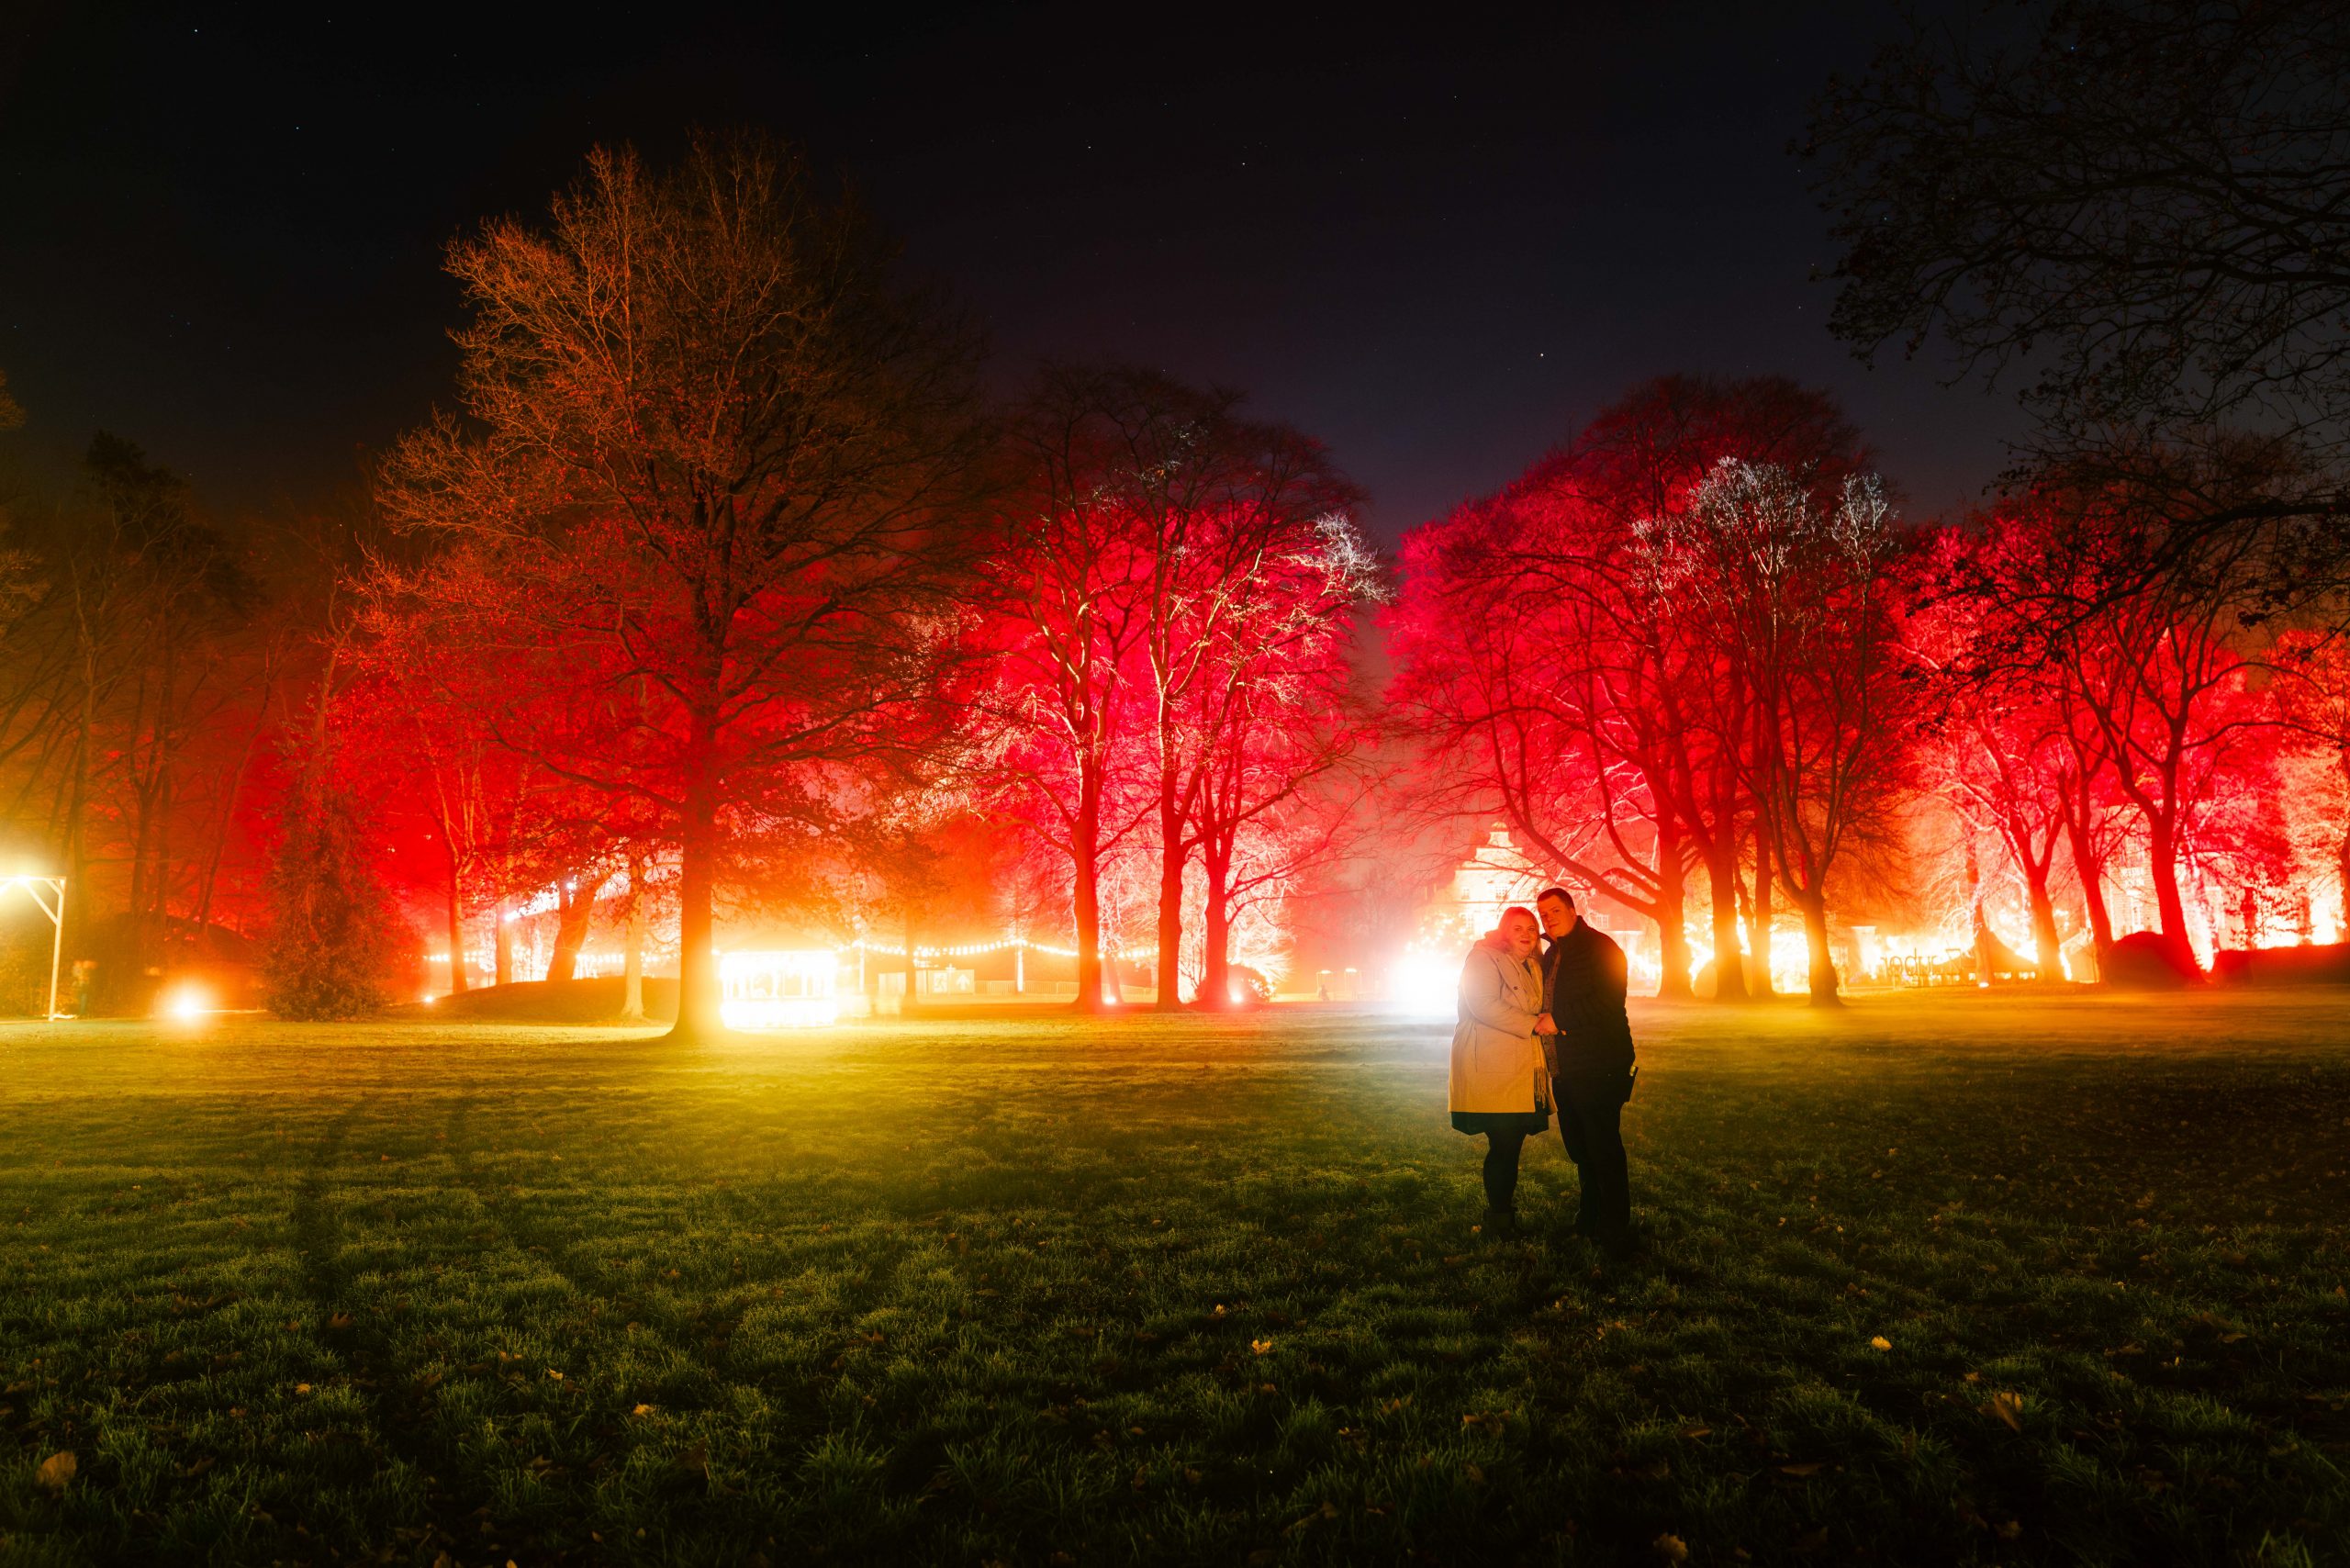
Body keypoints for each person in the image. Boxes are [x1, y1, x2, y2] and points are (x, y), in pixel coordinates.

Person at [1535, 885, 1639, 1258]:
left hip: (1600, 1063)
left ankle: (1613, 1225)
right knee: (1581, 1148)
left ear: (1573, 910)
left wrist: (1559, 1021)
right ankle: (1589, 1217)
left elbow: (1609, 1002)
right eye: (1542, 914)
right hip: (1566, 1067)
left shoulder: (1601, 948)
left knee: (1603, 1146)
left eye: (1554, 910)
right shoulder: (1553, 953)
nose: (1548, 918)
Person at [1448, 906, 1550, 1238]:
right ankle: (1499, 1220)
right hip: (1493, 1067)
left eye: (1532, 929)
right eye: (1517, 928)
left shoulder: (1533, 965)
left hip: (1522, 1068)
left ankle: (1502, 1216)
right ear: (1504, 932)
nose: (1526, 934)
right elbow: (1483, 1004)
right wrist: (1534, 1025)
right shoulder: (1483, 958)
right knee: (1504, 1145)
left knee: (1511, 1145)